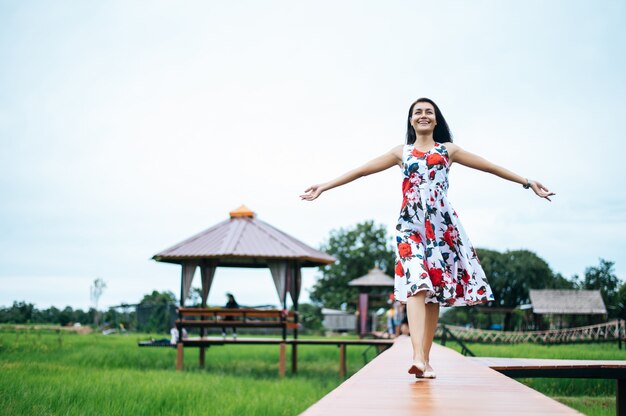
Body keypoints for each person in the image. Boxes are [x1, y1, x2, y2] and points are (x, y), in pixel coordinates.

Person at [300, 97, 555, 379]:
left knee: (433, 296)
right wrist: (324, 186)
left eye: (428, 112)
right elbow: (361, 170)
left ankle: (426, 359)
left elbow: (489, 167)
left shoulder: (448, 150)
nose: (423, 115)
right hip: (410, 227)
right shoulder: (402, 153)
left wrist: (528, 182)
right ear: (411, 121)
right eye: (417, 112)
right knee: (417, 286)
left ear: (436, 120)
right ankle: (417, 358)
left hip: (442, 228)